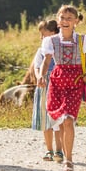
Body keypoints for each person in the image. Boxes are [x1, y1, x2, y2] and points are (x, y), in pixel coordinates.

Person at [37, 5, 86, 171]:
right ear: (58, 20)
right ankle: (63, 155)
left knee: (68, 120)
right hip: (57, 82)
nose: (65, 21)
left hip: (74, 83)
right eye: (62, 18)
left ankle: (69, 161)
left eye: (69, 18)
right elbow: (46, 60)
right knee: (60, 120)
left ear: (75, 22)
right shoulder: (50, 41)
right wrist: (42, 76)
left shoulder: (82, 40)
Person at [30, 19, 65, 163]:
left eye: (43, 35)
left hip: (58, 86)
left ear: (53, 33)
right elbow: (37, 67)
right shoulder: (41, 51)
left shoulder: (61, 48)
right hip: (45, 86)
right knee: (46, 119)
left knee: (58, 120)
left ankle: (59, 150)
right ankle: (49, 149)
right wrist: (39, 77)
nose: (41, 38)